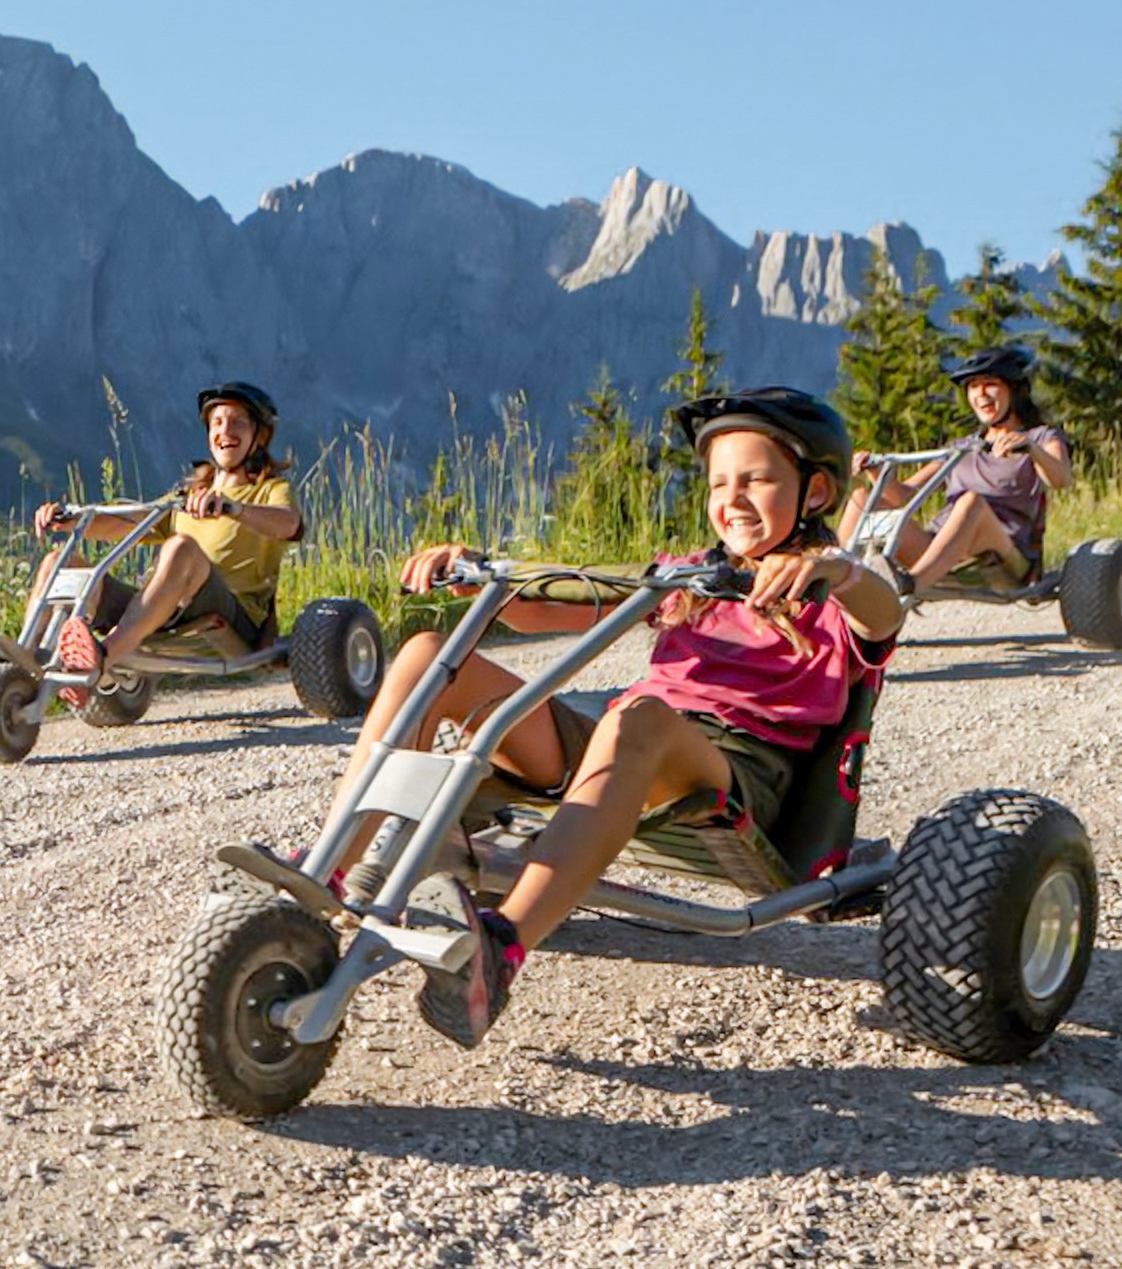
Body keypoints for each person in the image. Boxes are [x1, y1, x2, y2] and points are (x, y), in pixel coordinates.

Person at [329, 385, 903, 1050]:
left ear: (818, 493)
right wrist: (478, 576)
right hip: (619, 743)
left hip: (725, 768)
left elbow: (883, 614)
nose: (732, 499)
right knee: (432, 655)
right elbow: (549, 608)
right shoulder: (692, 577)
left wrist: (835, 570)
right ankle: (332, 867)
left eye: (757, 480)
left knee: (640, 716)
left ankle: (499, 950)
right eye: (719, 482)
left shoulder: (832, 589)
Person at [0, 382, 303, 707]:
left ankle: (102, 658)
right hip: (165, 609)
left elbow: (289, 523)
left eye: (238, 423)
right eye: (217, 423)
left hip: (233, 617)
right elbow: (130, 522)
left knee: (181, 548)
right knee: (59, 560)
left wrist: (233, 507)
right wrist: (73, 521)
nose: (225, 432)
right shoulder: (187, 497)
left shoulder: (270, 490)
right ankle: (17, 664)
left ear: (259, 436)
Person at [842, 347, 1071, 596]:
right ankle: (833, 582)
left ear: (1014, 390)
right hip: (938, 552)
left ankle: (910, 586)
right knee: (861, 499)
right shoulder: (961, 448)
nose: (981, 394)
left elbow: (1060, 478)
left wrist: (1032, 450)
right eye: (973, 387)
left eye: (990, 384)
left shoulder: (1040, 437)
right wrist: (877, 473)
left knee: (971, 503)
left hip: (1004, 558)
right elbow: (904, 496)